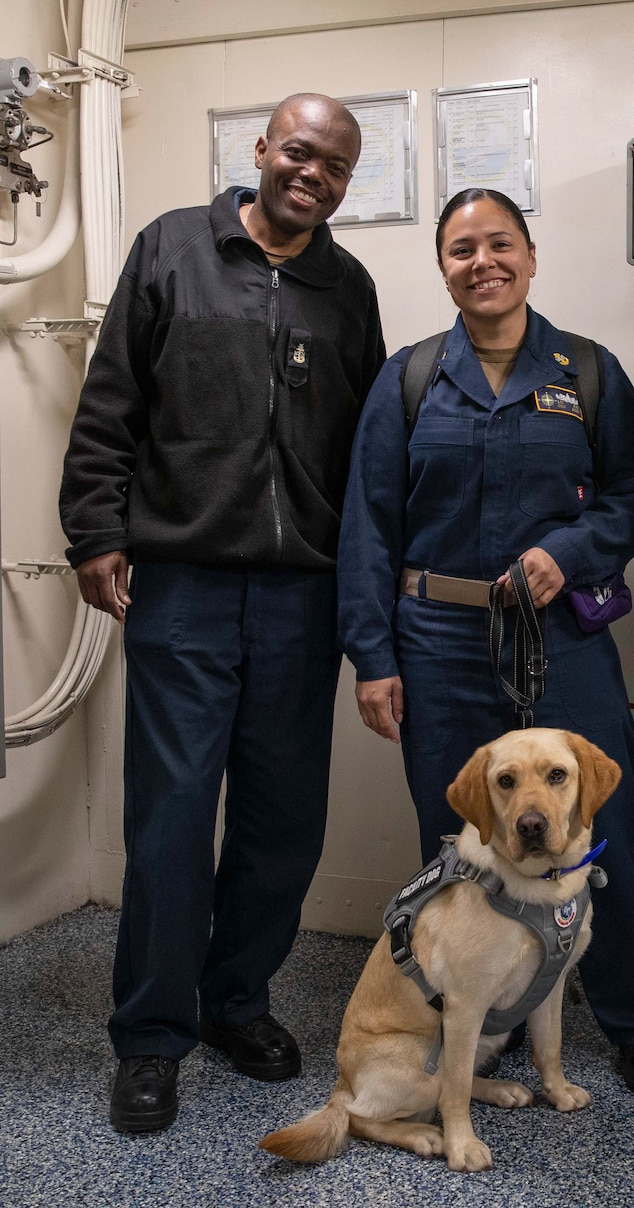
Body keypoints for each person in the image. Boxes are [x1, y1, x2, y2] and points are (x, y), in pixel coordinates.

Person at [59, 93, 386, 1134]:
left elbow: (367, 451)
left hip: (303, 592)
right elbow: (111, 400)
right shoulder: (171, 251)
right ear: (259, 150)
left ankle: (231, 998)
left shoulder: (348, 285)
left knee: (283, 825)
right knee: (168, 821)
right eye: (299, 151)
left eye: (334, 166)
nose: (313, 175)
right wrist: (93, 531)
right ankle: (151, 1036)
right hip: (185, 585)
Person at [337, 187, 634, 1093]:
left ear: (531, 257)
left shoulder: (591, 372)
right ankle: (471, 1025)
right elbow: (368, 526)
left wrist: (569, 551)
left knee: (597, 831)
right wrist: (372, 656)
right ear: (442, 266)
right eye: (461, 249)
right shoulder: (409, 377)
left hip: (558, 637)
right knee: (463, 844)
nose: (482, 262)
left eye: (499, 245)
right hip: (437, 643)